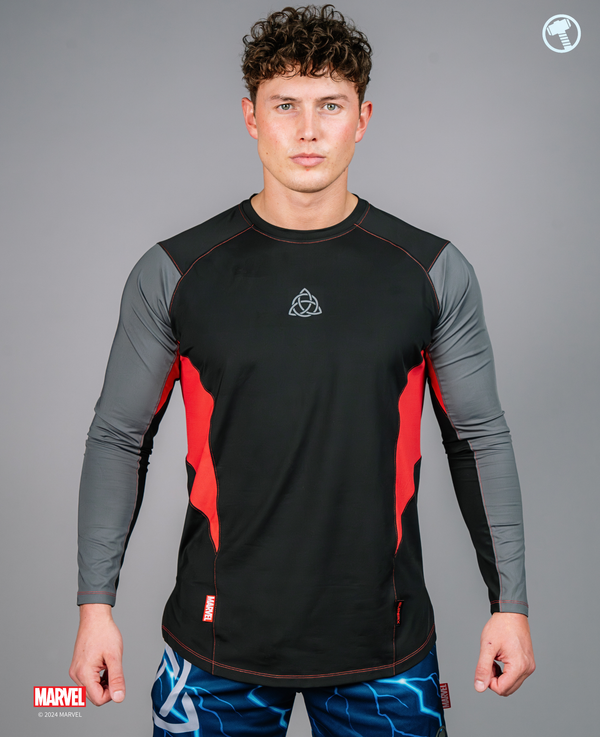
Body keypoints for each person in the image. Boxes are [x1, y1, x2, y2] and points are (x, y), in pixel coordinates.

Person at [69, 5, 535, 735]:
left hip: (384, 645)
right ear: (251, 117)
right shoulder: (177, 271)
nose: (308, 130)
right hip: (214, 647)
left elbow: (479, 438)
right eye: (285, 104)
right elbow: (118, 438)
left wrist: (510, 606)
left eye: (331, 105)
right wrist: (95, 607)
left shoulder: (431, 270)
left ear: (364, 118)